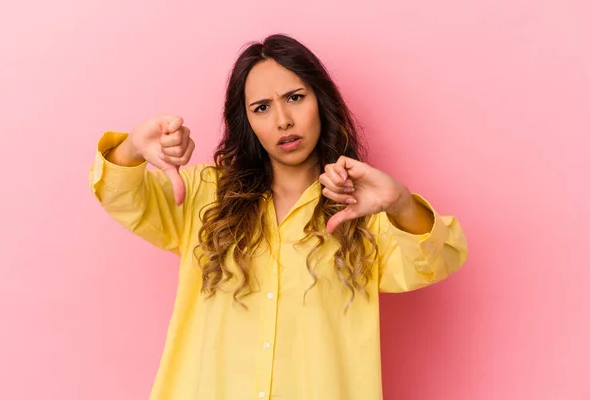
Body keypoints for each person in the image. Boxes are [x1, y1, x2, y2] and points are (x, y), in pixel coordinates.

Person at [89, 33, 468, 400]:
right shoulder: (205, 195)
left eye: (295, 97)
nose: (283, 120)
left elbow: (433, 260)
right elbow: (122, 194)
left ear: (320, 101)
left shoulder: (361, 207)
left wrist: (401, 202)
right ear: (247, 121)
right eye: (262, 108)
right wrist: (135, 145)